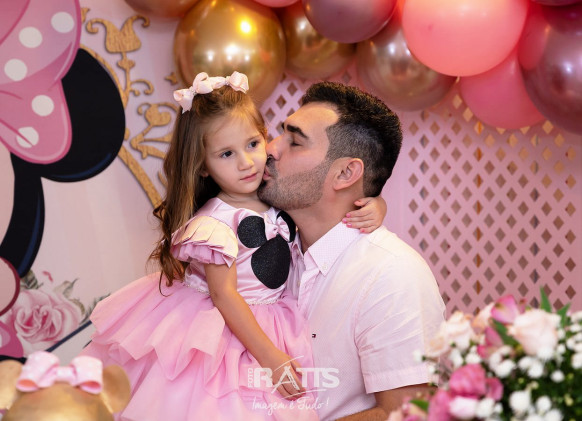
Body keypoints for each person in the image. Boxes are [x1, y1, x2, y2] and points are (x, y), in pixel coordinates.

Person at [81, 72, 386, 421]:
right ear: (203, 166)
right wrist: (270, 357)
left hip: (274, 324)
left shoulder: (277, 196)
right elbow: (224, 295)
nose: (245, 162)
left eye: (253, 144)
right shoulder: (214, 225)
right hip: (226, 335)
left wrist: (376, 204)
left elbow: (328, 202)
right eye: (226, 153)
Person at [258, 81, 446, 421]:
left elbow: (406, 413)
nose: (270, 148)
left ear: (346, 173)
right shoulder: (269, 247)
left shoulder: (391, 274)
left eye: (295, 141)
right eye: (279, 134)